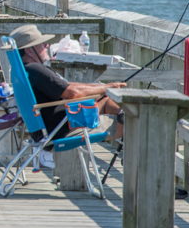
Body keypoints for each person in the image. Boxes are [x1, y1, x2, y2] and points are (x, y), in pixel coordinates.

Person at [9, 24, 126, 169]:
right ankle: (126, 133)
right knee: (132, 119)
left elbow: (66, 85)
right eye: (41, 44)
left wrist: (102, 87)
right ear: (29, 50)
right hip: (62, 132)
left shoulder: (23, 71)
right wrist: (106, 88)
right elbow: (72, 93)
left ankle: (123, 120)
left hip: (47, 130)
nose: (47, 45)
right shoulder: (35, 70)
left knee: (106, 99)